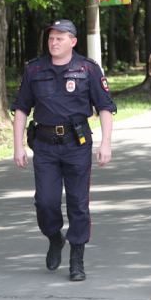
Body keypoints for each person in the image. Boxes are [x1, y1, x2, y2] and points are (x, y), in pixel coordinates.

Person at [12, 19, 116, 282]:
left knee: (78, 203)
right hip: (45, 145)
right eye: (51, 38)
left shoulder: (87, 69)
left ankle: (77, 257)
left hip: (77, 144)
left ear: (73, 41)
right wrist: (17, 146)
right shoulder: (34, 70)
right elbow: (22, 108)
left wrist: (106, 143)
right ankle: (54, 237)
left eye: (60, 37)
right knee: (45, 202)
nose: (54, 42)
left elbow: (104, 106)